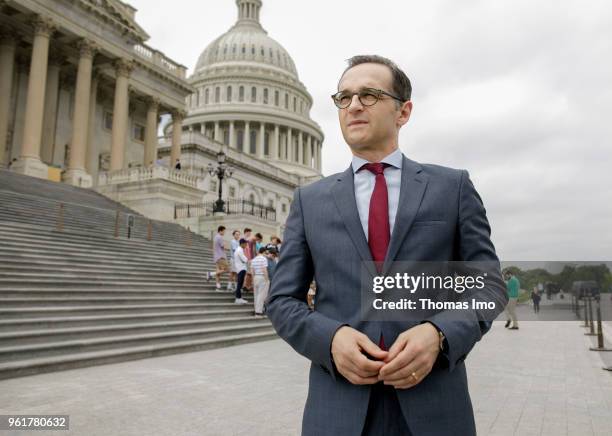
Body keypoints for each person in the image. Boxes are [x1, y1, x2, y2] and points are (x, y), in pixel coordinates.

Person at [266, 55, 507, 436]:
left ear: (403, 111)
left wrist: (439, 333)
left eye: (370, 94)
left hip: (435, 407)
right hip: (339, 410)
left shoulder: (452, 187)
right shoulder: (309, 201)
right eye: (344, 97)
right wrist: (329, 339)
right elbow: (281, 301)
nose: (354, 105)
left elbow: (490, 286)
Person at [250, 247, 270, 318]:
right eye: (266, 253)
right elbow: (264, 269)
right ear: (264, 252)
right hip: (262, 277)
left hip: (255, 277)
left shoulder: (254, 259)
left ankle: (256, 311)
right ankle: (258, 312)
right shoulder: (264, 259)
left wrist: (253, 279)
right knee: (261, 295)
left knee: (256, 295)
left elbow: (252, 271)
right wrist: (267, 279)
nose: (266, 254)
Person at [232, 238, 249, 305]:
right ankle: (238, 298)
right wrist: (247, 259)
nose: (246, 245)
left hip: (240, 268)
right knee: (239, 284)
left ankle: (239, 298)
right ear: (242, 244)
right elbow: (245, 260)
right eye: (245, 244)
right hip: (241, 268)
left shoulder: (240, 250)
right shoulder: (239, 250)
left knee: (240, 284)